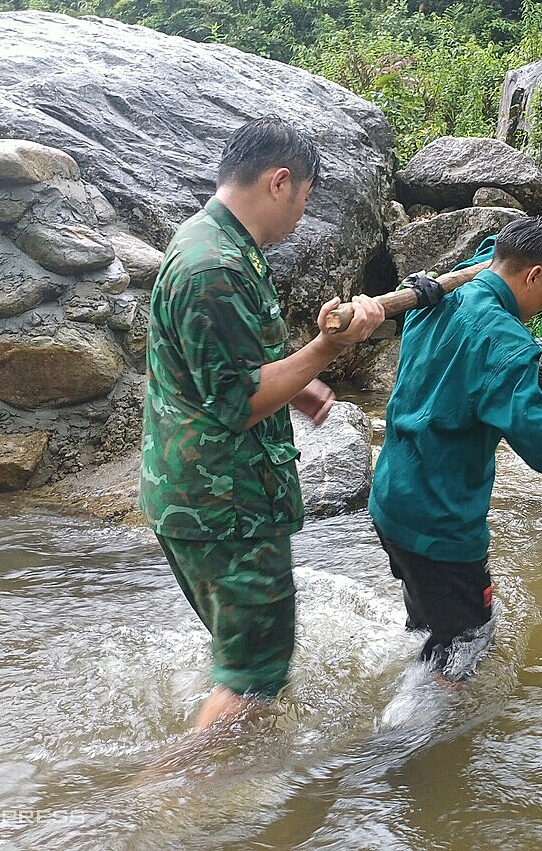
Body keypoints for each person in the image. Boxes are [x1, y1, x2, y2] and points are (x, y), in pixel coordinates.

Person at [138, 116, 385, 732]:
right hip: (224, 506)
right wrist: (326, 351)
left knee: (244, 663)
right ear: (280, 183)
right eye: (303, 198)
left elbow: (222, 370)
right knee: (254, 678)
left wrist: (299, 383)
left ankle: (218, 779)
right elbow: (238, 401)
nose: (301, 215)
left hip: (205, 498)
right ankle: (160, 805)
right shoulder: (214, 268)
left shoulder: (212, 244)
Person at [369, 217, 542, 681]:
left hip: (392, 502)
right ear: (533, 276)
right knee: (467, 648)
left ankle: (409, 678)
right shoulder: (506, 344)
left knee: (427, 626)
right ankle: (396, 751)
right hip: (442, 524)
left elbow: (491, 248)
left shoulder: (441, 291)